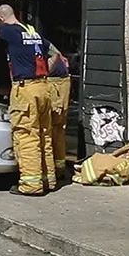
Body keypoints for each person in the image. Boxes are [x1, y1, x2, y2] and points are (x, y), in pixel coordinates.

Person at [0, 4, 56, 196]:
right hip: (44, 87)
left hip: (26, 89)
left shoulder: (10, 31)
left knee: (26, 136)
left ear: (2, 19)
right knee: (44, 135)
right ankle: (48, 179)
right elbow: (55, 54)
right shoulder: (32, 31)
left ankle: (31, 185)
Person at [47, 43, 71, 183]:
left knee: (49, 129)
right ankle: (58, 169)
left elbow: (55, 57)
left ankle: (53, 171)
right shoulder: (36, 39)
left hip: (54, 84)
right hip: (59, 83)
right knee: (57, 129)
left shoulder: (25, 39)